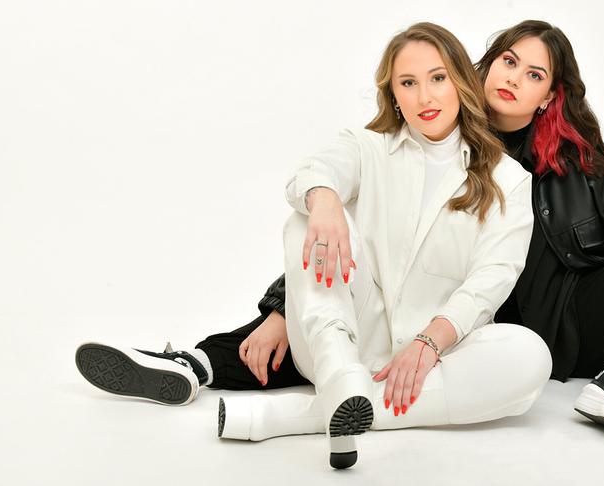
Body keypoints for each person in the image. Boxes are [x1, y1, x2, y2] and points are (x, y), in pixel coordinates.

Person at [75, 22, 551, 469]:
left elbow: (491, 280)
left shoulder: (508, 180)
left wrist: (429, 342)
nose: (424, 96)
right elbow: (313, 171)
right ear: (393, 95)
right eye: (408, 83)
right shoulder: (369, 147)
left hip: (433, 354)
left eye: (437, 78)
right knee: (305, 217)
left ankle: (298, 415)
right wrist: (324, 202)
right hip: (342, 337)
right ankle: (338, 376)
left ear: (461, 82)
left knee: (530, 356)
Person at [237, 19, 604, 441]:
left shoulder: (578, 156)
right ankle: (228, 369)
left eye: (534, 74)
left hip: (574, 316)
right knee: (308, 295)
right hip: (486, 324)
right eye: (509, 62)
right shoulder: (434, 130)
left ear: (548, 97)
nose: (514, 78)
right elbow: (369, 233)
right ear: (486, 65)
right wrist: (283, 306)